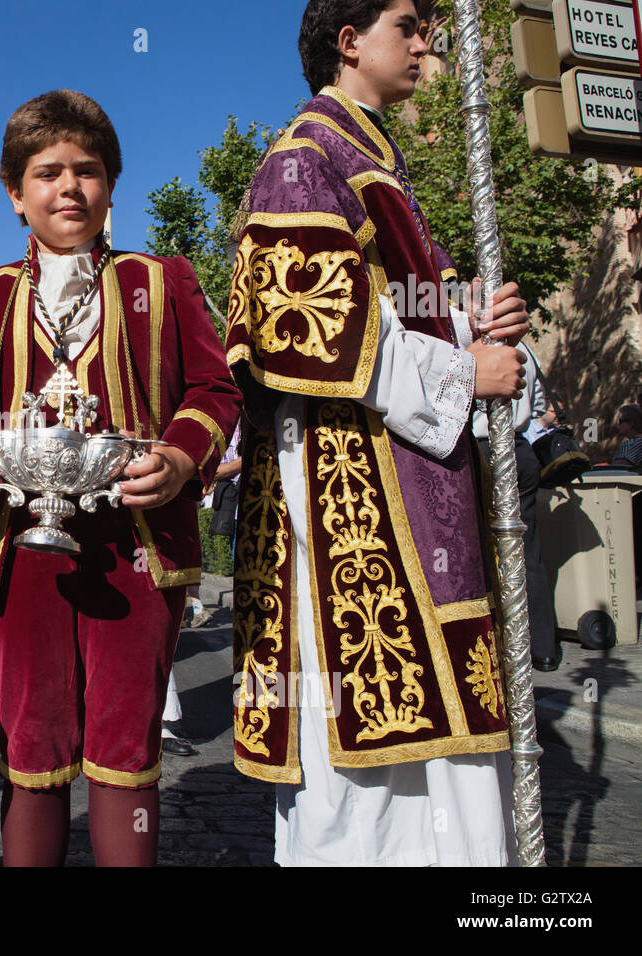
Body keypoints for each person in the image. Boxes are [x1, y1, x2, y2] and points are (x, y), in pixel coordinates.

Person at [226, 0, 529, 865]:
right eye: (409, 21)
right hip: (350, 502)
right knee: (366, 788)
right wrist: (465, 371)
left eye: (433, 22)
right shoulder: (304, 157)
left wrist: (465, 324)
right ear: (349, 40)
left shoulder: (379, 165)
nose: (426, 39)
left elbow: (396, 322)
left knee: (444, 769)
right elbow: (303, 328)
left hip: (414, 487)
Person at [0, 90, 241, 866]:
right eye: (47, 173)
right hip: (13, 545)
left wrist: (178, 459)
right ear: (14, 194)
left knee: (124, 743)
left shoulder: (164, 279)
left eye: (88, 170)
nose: (68, 188)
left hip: (136, 547)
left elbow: (214, 389)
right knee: (31, 744)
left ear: (111, 185)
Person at [472, 342, 559, 670]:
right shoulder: (528, 349)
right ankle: (543, 648)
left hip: (487, 446)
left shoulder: (481, 346)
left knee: (485, 549)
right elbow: (538, 405)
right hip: (521, 448)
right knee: (527, 550)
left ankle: (500, 643)